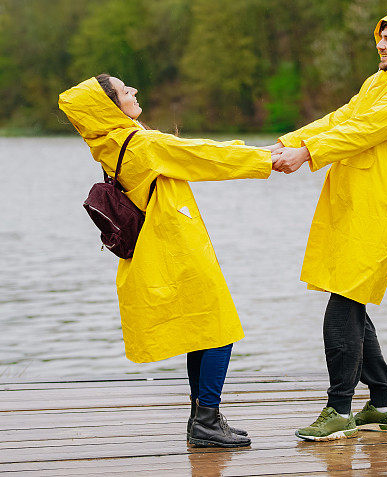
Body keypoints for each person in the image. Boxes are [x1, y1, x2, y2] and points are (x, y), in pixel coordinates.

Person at [59, 74, 273, 448]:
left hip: (157, 250)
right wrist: (269, 158)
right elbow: (205, 156)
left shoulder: (109, 143)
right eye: (126, 92)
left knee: (200, 331)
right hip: (177, 249)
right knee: (219, 330)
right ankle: (206, 419)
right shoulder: (141, 143)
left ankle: (202, 420)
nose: (135, 92)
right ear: (111, 107)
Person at [268, 10, 387, 441]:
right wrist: (291, 141)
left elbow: (364, 130)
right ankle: (383, 404)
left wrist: (307, 154)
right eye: (381, 37)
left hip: (379, 209)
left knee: (343, 304)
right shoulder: (378, 81)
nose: (382, 45)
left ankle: (338, 409)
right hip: (355, 203)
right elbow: (342, 117)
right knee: (352, 300)